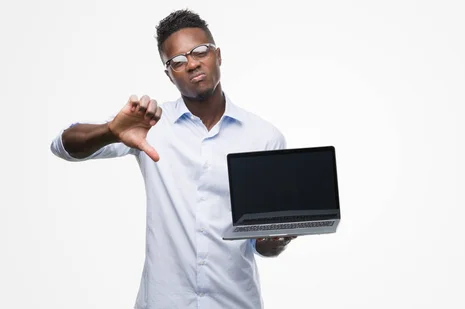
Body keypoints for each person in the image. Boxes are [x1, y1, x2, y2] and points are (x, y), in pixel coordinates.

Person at [50, 9, 295, 309]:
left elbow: (263, 244)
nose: (191, 63)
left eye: (200, 52)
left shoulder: (264, 137)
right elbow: (62, 145)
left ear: (218, 56)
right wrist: (111, 131)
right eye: (177, 61)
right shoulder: (149, 124)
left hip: (234, 302)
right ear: (169, 74)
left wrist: (275, 240)